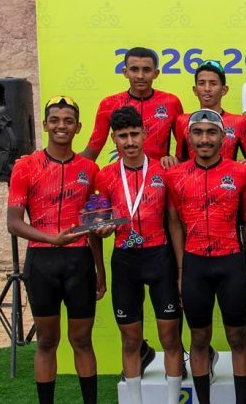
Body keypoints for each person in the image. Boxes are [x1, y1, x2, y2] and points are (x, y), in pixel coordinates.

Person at [6, 95, 104, 404]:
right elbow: (14, 223)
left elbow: (93, 226)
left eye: (68, 121)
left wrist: (101, 270)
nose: (62, 126)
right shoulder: (25, 166)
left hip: (80, 262)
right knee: (47, 341)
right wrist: (52, 239)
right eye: (55, 120)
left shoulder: (90, 168)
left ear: (78, 127)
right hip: (42, 261)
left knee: (82, 340)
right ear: (45, 125)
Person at [165, 110, 246, 404]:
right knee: (199, 338)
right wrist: (182, 267)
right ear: (189, 137)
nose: (204, 139)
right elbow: (175, 222)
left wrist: (237, 248)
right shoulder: (174, 175)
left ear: (223, 137)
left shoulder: (240, 172)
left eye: (211, 132)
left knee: (238, 337)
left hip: (230, 263)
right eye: (198, 133)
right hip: (194, 265)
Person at [94, 107, 186, 404]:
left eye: (135, 134)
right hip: (125, 260)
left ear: (145, 134)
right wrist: (102, 229)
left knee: (170, 338)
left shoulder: (164, 170)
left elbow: (174, 222)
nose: (130, 141)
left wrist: (181, 270)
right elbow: (99, 222)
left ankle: (172, 401)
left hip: (160, 258)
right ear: (114, 138)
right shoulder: (105, 175)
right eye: (123, 136)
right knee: (131, 340)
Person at [83, 47, 183, 168]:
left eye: (146, 70)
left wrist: (174, 160)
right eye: (134, 69)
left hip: (160, 175)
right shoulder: (109, 104)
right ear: (125, 72)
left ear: (156, 73)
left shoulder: (171, 102)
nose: (140, 75)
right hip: (124, 176)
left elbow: (185, 152)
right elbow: (92, 150)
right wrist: (64, 163)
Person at [174, 59, 246, 162]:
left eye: (213, 83)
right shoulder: (182, 121)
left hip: (227, 173)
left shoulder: (239, 122)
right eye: (201, 83)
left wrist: (245, 165)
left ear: (224, 90)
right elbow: (180, 161)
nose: (207, 89)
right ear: (195, 90)